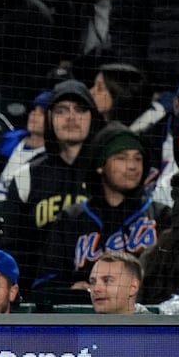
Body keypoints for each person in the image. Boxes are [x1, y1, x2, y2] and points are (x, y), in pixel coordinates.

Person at [37, 123, 158, 291]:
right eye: (121, 158)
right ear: (100, 166)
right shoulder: (71, 219)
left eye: (138, 158)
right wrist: (69, 290)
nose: (132, 166)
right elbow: (44, 282)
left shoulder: (161, 216)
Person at [1, 81, 98, 266]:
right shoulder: (26, 176)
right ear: (50, 119)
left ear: (93, 117)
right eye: (61, 111)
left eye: (79, 109)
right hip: (40, 287)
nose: (71, 117)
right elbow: (14, 248)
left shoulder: (107, 173)